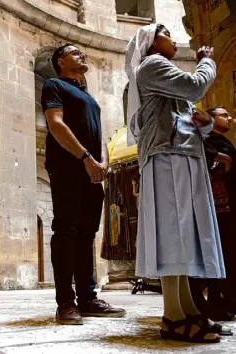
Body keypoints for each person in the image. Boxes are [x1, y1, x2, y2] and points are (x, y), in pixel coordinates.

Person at [126, 24, 230, 343]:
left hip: (179, 154)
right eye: (166, 33)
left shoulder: (163, 73)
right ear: (151, 42)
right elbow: (196, 87)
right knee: (174, 233)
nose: (173, 38)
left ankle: (187, 309)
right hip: (167, 156)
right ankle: (172, 316)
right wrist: (206, 60)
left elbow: (187, 119)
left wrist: (207, 122)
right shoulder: (153, 65)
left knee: (182, 234)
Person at [41, 43, 126, 325]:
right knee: (66, 230)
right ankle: (65, 302)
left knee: (87, 234)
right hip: (68, 167)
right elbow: (56, 124)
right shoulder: (54, 85)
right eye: (76, 52)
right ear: (61, 61)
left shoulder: (88, 95)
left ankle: (87, 298)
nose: (83, 55)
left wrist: (101, 161)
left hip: (92, 169)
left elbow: (99, 134)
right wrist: (86, 158)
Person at [190, 106, 236, 320]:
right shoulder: (206, 141)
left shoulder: (219, 142)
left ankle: (224, 300)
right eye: (224, 115)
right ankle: (216, 301)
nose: (230, 119)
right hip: (217, 206)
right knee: (219, 252)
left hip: (225, 205)